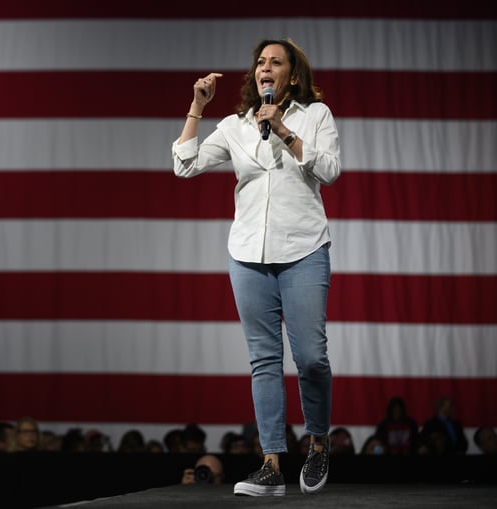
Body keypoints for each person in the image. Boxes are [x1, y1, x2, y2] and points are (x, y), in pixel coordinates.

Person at [172, 38, 340, 497]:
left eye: (275, 62)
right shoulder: (235, 126)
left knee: (310, 357)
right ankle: (271, 464)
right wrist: (196, 106)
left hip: (304, 249)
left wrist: (284, 130)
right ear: (255, 75)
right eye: (260, 63)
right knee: (264, 360)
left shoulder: (315, 116)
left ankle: (318, 441)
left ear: (291, 73)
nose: (266, 68)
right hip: (247, 255)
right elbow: (184, 165)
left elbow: (329, 169)